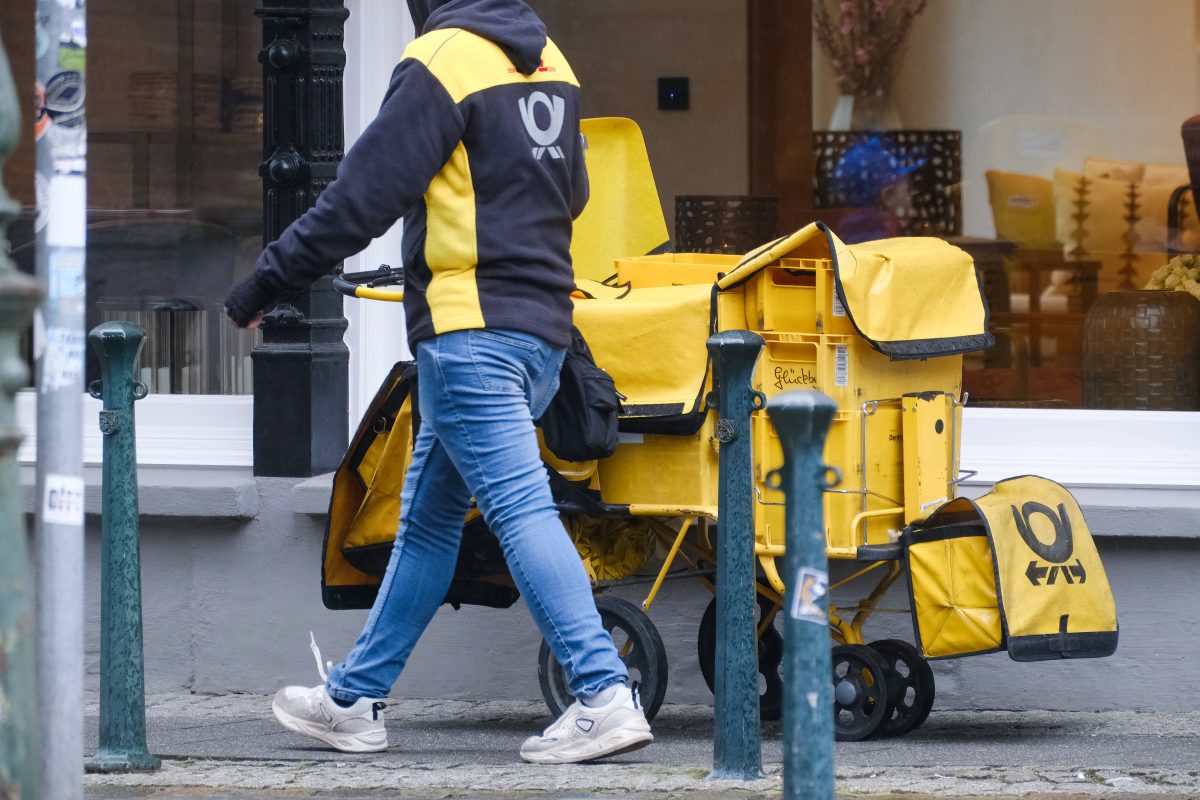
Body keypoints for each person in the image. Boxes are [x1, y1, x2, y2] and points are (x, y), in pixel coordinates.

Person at [223, 0, 652, 765]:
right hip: (544, 330)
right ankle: (353, 700)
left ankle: (602, 693)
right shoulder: (552, 60)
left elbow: (357, 200)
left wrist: (263, 284)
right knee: (425, 522)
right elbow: (572, 194)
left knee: (519, 510)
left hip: (471, 331)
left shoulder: (441, 60)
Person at [828, 135, 925, 244]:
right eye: (908, 189)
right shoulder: (880, 241)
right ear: (888, 196)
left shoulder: (850, 233)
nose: (911, 196)